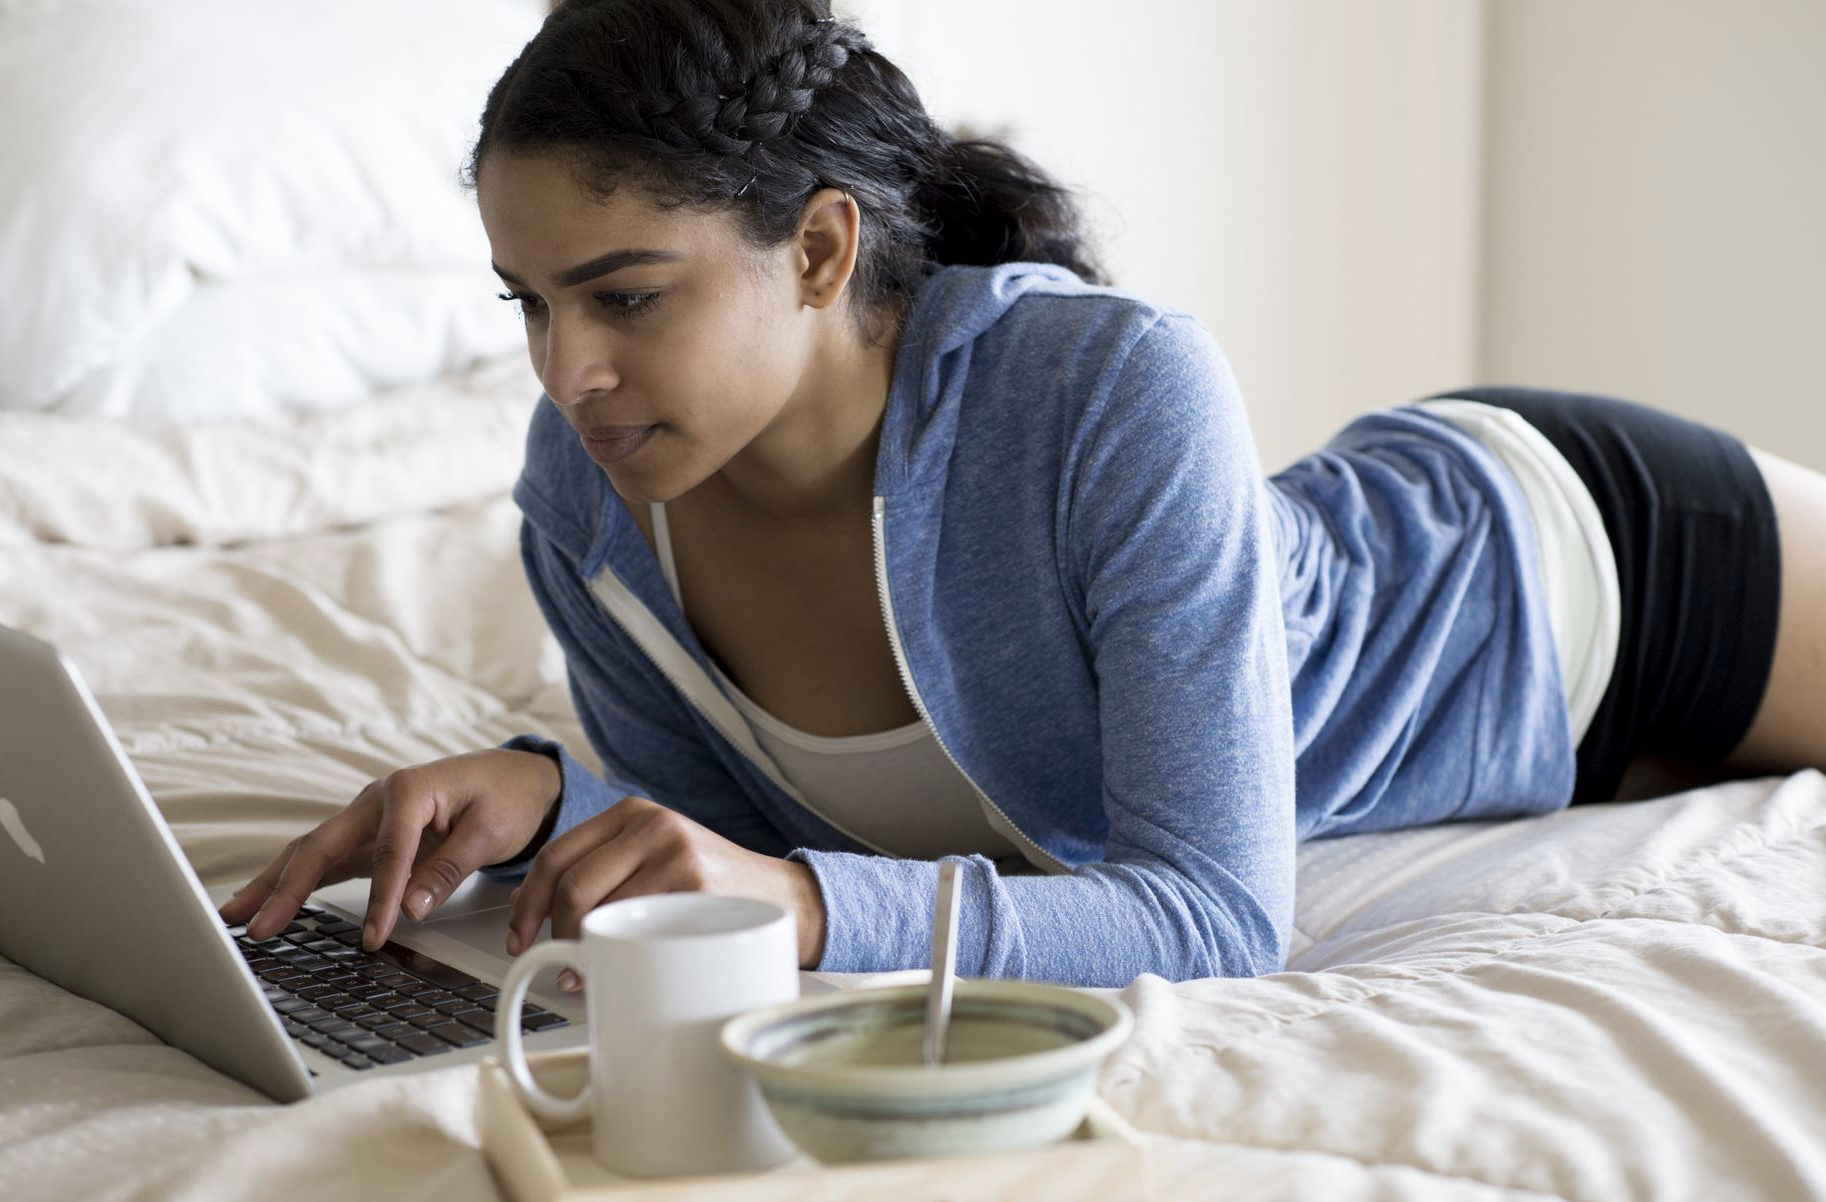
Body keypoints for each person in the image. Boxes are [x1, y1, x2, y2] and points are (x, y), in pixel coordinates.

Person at [219, 0, 1825, 989]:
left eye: (625, 296)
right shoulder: (588, 489)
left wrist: (797, 907)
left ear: (824, 248)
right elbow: (725, 835)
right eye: (526, 302)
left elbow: (1212, 916)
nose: (565, 373)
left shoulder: (1105, 385)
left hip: (1592, 568)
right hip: (1504, 742)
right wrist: (548, 799)